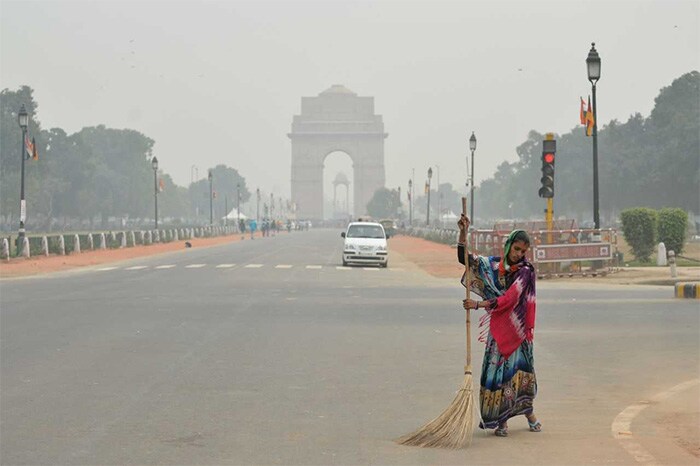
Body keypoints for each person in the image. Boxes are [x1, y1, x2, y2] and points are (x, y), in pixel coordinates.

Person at [457, 214, 541, 437]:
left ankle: (529, 414)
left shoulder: (525, 272)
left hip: (518, 333)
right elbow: (465, 259)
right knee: (499, 376)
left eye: (523, 251)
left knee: (520, 376)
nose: (519, 254)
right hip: (498, 330)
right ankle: (501, 419)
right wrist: (463, 232)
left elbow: (510, 299)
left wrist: (478, 304)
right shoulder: (494, 265)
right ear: (508, 246)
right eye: (516, 249)